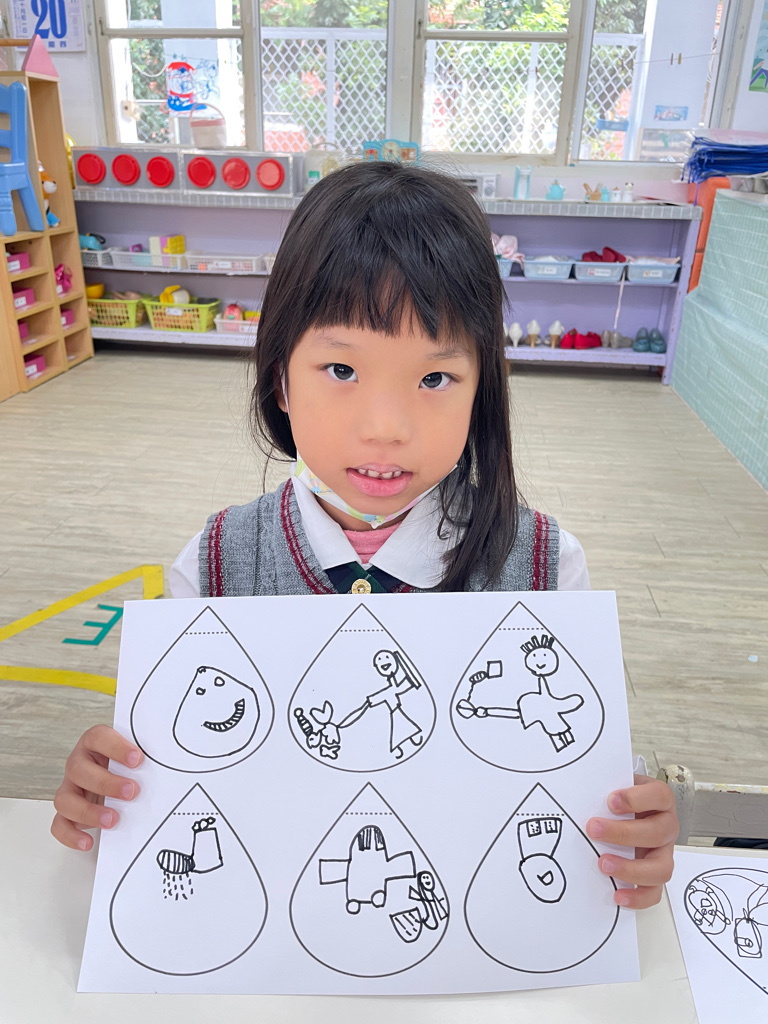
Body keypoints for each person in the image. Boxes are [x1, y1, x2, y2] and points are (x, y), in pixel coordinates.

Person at [51, 161, 678, 908]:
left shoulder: (546, 570)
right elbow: (175, 787)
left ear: (482, 390)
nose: (386, 428)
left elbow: (574, 768)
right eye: (341, 369)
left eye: (435, 379)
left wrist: (629, 825)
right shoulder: (214, 568)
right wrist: (113, 796)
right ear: (281, 379)